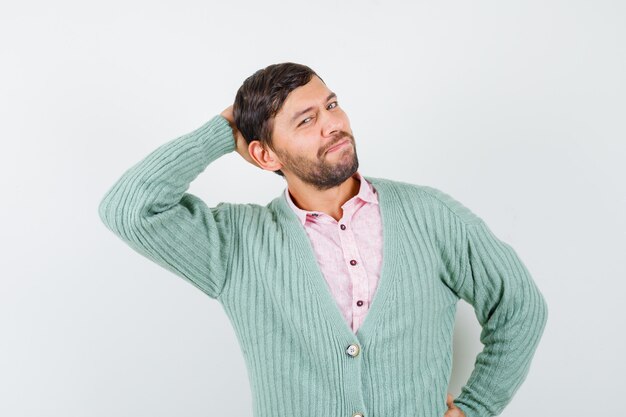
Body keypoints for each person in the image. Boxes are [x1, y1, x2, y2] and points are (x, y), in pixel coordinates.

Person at [98, 62, 548, 417]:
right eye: (306, 119)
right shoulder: (234, 245)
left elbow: (520, 307)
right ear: (264, 154)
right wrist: (222, 129)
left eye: (332, 105)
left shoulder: (430, 214)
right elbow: (129, 210)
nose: (332, 123)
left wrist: (477, 407)